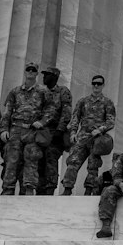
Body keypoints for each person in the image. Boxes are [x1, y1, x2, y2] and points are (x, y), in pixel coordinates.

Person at [0, 60, 55, 195]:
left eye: (33, 70)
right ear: (25, 72)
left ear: (36, 73)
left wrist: (42, 122)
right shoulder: (15, 91)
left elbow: (51, 110)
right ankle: (8, 189)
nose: (30, 72)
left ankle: (29, 188)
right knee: (12, 160)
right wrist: (4, 130)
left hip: (32, 130)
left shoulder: (43, 91)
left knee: (31, 158)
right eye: (28, 69)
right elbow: (8, 111)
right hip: (16, 129)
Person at [61, 73, 116, 195]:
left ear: (103, 85)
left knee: (93, 166)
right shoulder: (83, 101)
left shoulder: (107, 102)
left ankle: (89, 190)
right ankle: (67, 188)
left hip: (96, 138)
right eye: (94, 83)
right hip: (82, 136)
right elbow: (75, 118)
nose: (96, 85)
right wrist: (73, 132)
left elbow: (111, 121)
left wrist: (100, 129)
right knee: (73, 162)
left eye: (99, 83)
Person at [39, 65, 73, 195]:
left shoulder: (63, 92)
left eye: (47, 75)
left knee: (51, 158)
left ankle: (50, 188)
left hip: (55, 133)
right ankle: (40, 189)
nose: (44, 77)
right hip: (42, 133)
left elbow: (66, 112)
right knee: (39, 160)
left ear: (54, 77)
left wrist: (60, 129)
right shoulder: (41, 92)